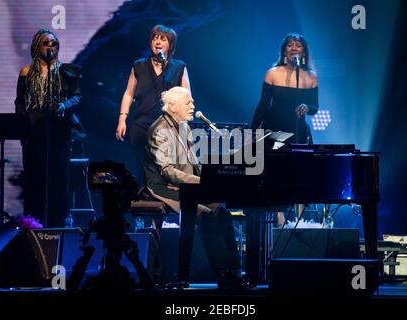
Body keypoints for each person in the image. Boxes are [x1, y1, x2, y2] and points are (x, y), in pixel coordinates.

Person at [144, 86, 243, 289]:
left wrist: (210, 179)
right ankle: (221, 275)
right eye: (188, 102)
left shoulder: (184, 126)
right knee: (206, 214)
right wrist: (201, 182)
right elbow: (167, 171)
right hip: (163, 187)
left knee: (222, 213)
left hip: (187, 185)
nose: (193, 106)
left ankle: (233, 271)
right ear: (172, 106)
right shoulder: (160, 129)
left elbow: (193, 163)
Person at [15, 29, 82, 227]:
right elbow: (19, 102)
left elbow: (77, 97)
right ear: (37, 46)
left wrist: (64, 105)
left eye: (54, 43)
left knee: (58, 176)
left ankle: (57, 222)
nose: (50, 46)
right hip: (34, 129)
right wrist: (22, 129)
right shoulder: (26, 72)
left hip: (59, 130)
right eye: (46, 42)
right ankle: (33, 223)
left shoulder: (66, 72)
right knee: (35, 176)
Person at [251, 33, 319, 223]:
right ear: (284, 51)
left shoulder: (311, 77)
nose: (294, 48)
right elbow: (263, 105)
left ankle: (299, 219)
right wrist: (252, 131)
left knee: (299, 172)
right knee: (275, 172)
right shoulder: (272, 73)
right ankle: (279, 219)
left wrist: (307, 107)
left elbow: (315, 108)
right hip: (275, 130)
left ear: (304, 51)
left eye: (298, 45)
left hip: (298, 130)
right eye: (290, 45)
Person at [115, 25, 190, 186]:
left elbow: (187, 97)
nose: (157, 41)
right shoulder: (139, 65)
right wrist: (122, 119)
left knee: (166, 169)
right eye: (154, 38)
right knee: (142, 167)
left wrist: (172, 98)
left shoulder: (179, 67)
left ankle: (166, 203)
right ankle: (144, 204)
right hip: (141, 125)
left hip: (168, 128)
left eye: (162, 39)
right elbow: (128, 94)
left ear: (170, 45)